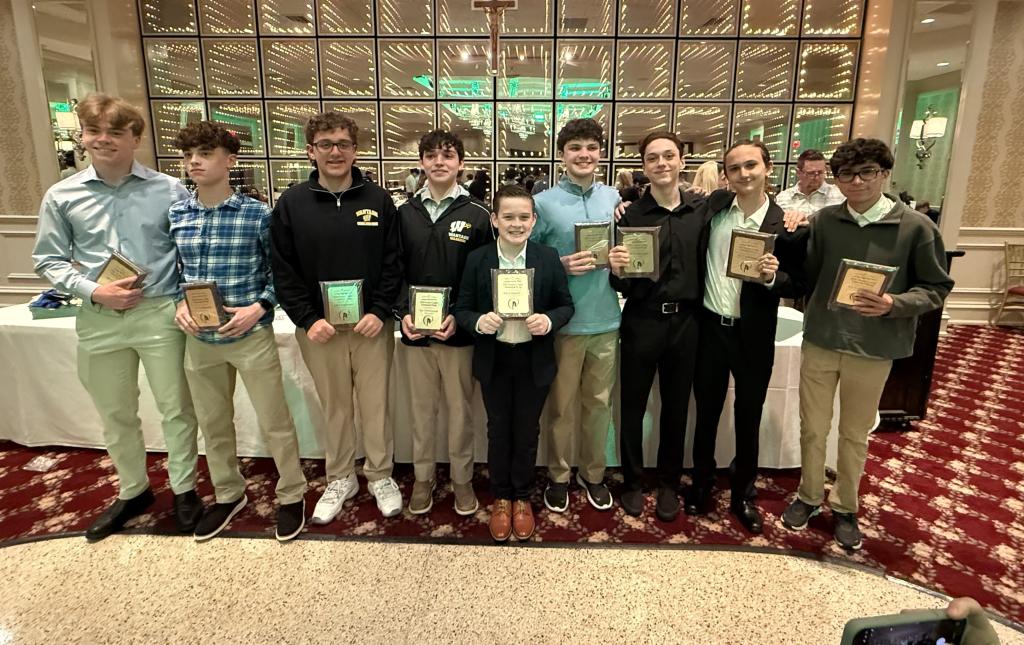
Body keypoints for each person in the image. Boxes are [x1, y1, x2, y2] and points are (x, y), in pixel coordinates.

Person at [32, 93, 202, 541]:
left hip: (160, 312)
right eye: (93, 131)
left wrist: (188, 299)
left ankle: (184, 489)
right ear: (82, 136)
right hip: (99, 318)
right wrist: (94, 291)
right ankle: (134, 490)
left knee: (176, 408)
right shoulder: (61, 195)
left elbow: (188, 251)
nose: (102, 140)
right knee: (115, 412)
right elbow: (49, 260)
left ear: (136, 138)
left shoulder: (169, 190)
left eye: (115, 132)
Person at [780, 138, 954, 550]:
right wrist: (784, 242)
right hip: (822, 338)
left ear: (884, 174)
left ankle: (845, 506)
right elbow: (808, 277)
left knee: (855, 432)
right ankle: (807, 496)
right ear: (836, 179)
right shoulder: (824, 222)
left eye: (867, 173)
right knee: (812, 427)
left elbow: (936, 287)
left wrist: (895, 302)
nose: (856, 182)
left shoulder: (915, 227)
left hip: (874, 345)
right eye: (846, 174)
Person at [168, 121, 308, 542]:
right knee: (212, 422)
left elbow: (279, 272)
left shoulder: (257, 214)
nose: (194, 161)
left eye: (205, 153)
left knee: (274, 419)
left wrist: (260, 305)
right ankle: (228, 494)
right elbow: (175, 271)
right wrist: (178, 303)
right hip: (200, 340)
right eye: (189, 153)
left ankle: (292, 493)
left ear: (229, 161)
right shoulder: (177, 214)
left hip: (250, 335)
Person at [270, 112, 404, 522]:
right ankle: (340, 476)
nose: (334, 152)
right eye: (325, 144)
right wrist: (308, 319)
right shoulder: (292, 203)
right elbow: (282, 269)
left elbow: (393, 262)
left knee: (376, 404)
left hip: (370, 327)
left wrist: (381, 311)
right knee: (336, 405)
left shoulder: (378, 200)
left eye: (343, 144)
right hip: (319, 330)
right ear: (310, 151)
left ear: (355, 150)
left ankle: (380, 474)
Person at [687, 140, 807, 535]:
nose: (743, 174)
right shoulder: (715, 210)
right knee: (705, 413)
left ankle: (742, 493)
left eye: (751, 165)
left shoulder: (787, 224)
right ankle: (702, 485)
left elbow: (801, 281)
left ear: (768, 168)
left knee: (748, 415)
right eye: (734, 168)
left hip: (753, 334)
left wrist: (774, 276)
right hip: (710, 329)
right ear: (726, 174)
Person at [453, 184, 574, 542]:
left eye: (524, 217)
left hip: (533, 359)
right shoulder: (478, 259)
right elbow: (462, 308)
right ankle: (501, 496)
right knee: (498, 428)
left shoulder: (547, 257)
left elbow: (565, 305)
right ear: (495, 220)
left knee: (527, 430)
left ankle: (522, 497)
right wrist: (478, 322)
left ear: (534, 221)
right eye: (509, 216)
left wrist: (549, 321)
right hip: (496, 359)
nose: (516, 223)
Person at [608, 131, 707, 521]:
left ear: (682, 161)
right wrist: (616, 270)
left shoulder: (702, 211)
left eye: (669, 156)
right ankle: (632, 480)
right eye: (653, 158)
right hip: (641, 320)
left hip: (687, 322)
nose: (662, 163)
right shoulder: (629, 215)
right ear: (644, 167)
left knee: (677, 406)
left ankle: (668, 482)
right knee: (630, 405)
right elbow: (624, 281)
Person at [396, 129, 492, 516]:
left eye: (448, 155)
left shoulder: (478, 214)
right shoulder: (403, 213)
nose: (439, 162)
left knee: (459, 412)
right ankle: (423, 478)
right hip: (415, 332)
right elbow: (392, 269)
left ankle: (462, 479)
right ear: (421, 162)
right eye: (431, 155)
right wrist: (402, 311)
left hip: (458, 334)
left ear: (461, 164)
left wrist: (462, 316)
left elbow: (486, 273)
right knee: (421, 411)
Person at [531, 118, 621, 513]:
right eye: (574, 148)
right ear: (562, 154)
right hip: (564, 323)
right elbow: (525, 260)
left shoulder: (615, 199)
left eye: (591, 147)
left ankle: (595, 474)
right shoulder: (543, 202)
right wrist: (559, 264)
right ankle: (559, 475)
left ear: (600, 153)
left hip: (606, 319)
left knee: (599, 404)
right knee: (563, 405)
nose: (583, 155)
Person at [775, 149, 845, 219]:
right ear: (798, 173)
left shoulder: (839, 196)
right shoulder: (783, 198)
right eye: (811, 173)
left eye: (820, 172)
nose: (817, 178)